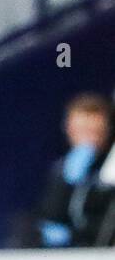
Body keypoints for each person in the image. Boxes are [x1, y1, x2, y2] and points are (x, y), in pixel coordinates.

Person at [31, 93, 115, 248]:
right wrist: (66, 182)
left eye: (93, 132)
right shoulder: (62, 168)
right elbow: (49, 218)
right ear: (69, 129)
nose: (87, 140)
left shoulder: (110, 169)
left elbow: (105, 224)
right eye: (81, 131)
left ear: (106, 131)